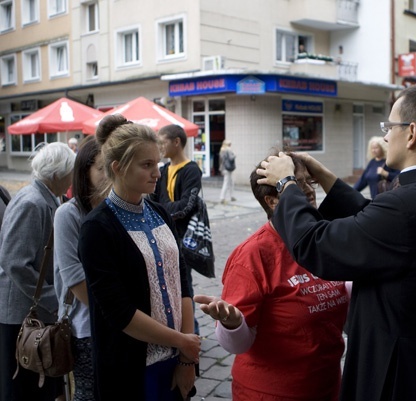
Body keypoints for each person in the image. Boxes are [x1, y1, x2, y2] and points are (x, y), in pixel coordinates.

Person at [257, 82, 416, 401]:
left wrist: (286, 183)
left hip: (399, 376)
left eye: (390, 126)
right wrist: (321, 173)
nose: (386, 135)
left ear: (412, 133)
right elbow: (373, 221)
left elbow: (317, 244)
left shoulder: (405, 207)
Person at [194, 151, 349, 401]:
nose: (308, 191)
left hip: (327, 386)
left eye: (308, 182)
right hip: (272, 392)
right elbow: (237, 345)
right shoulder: (253, 255)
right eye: (294, 184)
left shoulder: (322, 241)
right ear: (272, 201)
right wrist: (232, 324)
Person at [77, 114, 200, 401]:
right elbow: (118, 312)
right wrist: (182, 341)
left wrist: (185, 357)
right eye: (146, 165)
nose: (157, 172)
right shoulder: (96, 228)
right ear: (118, 168)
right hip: (129, 368)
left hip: (175, 358)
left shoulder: (159, 211)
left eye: (157, 163)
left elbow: (182, 282)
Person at [0, 142, 75, 401]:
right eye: (70, 172)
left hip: (29, 311)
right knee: (22, 387)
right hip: (20, 313)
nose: (72, 178)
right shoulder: (33, 202)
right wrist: (51, 298)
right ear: (56, 174)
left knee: (35, 385)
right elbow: (14, 261)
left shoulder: (44, 196)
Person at [53, 136, 108, 401]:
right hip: (86, 327)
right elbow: (74, 279)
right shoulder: (69, 214)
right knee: (88, 393)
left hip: (123, 324)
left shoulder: (117, 209)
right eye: (101, 167)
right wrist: (116, 315)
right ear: (84, 170)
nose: (110, 175)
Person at [151, 124, 203, 335]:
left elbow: (186, 206)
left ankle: (193, 331)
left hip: (183, 239)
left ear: (176, 142)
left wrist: (163, 209)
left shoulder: (192, 170)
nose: (160, 147)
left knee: (184, 284)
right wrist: (166, 208)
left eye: (162, 141)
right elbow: (154, 202)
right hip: (162, 236)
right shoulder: (162, 170)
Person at [219, 140, 236, 204]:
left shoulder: (222, 150)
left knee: (231, 182)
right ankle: (222, 198)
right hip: (228, 169)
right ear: (227, 145)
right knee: (227, 183)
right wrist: (234, 154)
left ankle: (231, 196)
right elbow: (231, 158)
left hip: (224, 168)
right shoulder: (228, 150)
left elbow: (221, 160)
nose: (230, 146)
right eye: (229, 144)